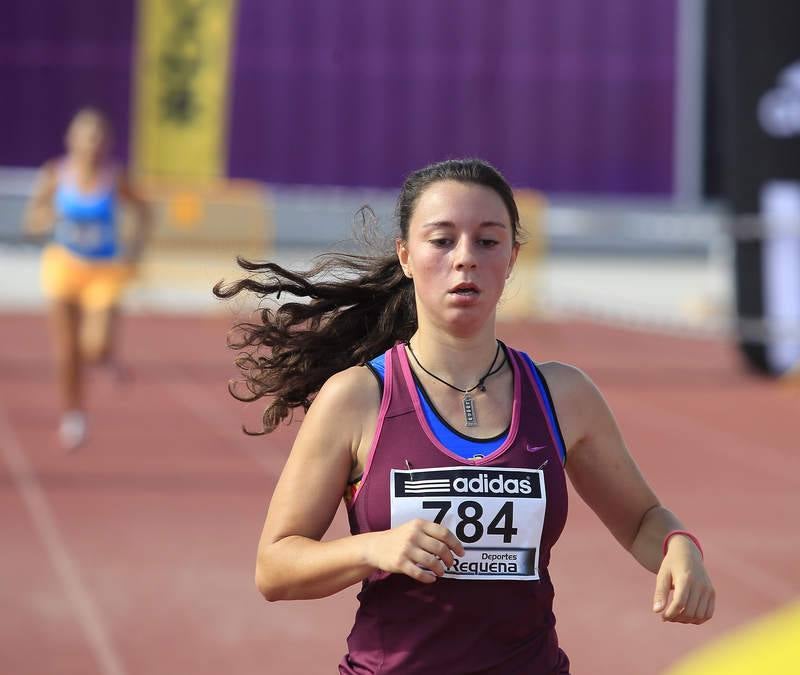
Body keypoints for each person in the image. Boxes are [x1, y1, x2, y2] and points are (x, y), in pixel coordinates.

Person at [214, 159, 715, 674]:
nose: (465, 259)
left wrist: (679, 546)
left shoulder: (563, 396)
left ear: (513, 257)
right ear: (406, 256)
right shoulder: (357, 398)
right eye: (442, 240)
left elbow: (642, 520)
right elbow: (275, 567)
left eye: (488, 241)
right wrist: (374, 548)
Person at [24, 108, 152, 450]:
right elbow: (31, 219)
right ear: (72, 139)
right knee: (66, 352)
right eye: (86, 136)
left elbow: (143, 210)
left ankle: (106, 358)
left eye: (98, 138)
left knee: (94, 347)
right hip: (64, 266)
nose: (92, 144)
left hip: (104, 271)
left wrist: (136, 249)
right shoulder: (56, 173)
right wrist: (45, 218)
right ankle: (74, 415)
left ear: (107, 143)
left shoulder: (115, 176)